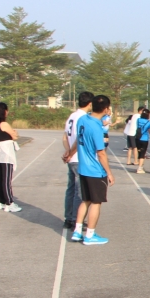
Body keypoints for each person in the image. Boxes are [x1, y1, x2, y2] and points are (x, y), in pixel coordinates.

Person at [71, 95, 115, 245]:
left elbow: (78, 140)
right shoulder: (96, 128)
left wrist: (69, 153)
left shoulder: (83, 120)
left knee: (86, 200)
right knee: (96, 202)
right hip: (95, 170)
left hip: (83, 168)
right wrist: (109, 172)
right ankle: (90, 235)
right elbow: (101, 153)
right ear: (106, 109)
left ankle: (77, 231)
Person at [62, 92, 94, 228]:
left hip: (71, 158)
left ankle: (69, 217)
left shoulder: (72, 116)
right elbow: (79, 138)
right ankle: (76, 220)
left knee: (71, 189)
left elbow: (65, 136)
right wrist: (71, 153)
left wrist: (67, 151)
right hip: (78, 158)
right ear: (90, 103)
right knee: (79, 191)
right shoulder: (84, 118)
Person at [0, 103, 20, 212]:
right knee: (6, 180)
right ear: (3, 112)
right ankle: (9, 202)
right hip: (7, 154)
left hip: (0, 154)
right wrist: (15, 132)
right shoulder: (4, 124)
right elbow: (15, 136)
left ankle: (0, 200)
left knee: (0, 178)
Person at [135, 108, 150, 173]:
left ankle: (140, 166)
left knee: (139, 152)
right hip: (144, 139)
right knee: (143, 153)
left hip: (137, 138)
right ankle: (139, 168)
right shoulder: (148, 122)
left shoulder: (138, 120)